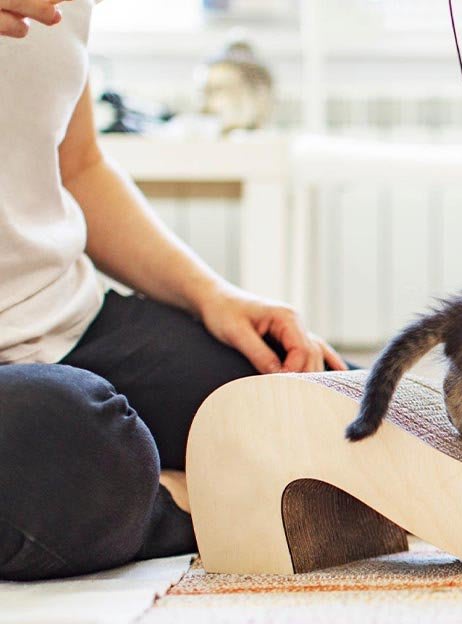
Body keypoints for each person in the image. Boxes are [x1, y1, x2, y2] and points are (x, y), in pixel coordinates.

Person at [0, 0, 347, 580]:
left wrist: (211, 294)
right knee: (75, 450)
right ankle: (179, 499)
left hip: (60, 314)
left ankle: (168, 491)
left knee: (333, 404)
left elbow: (78, 166)